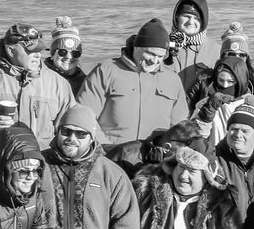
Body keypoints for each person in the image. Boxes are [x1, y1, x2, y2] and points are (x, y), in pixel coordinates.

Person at [78, 19, 191, 169]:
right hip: (110, 158)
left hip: (155, 163)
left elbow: (180, 126)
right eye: (150, 54)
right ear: (137, 47)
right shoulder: (106, 70)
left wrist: (168, 151)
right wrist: (105, 149)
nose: (155, 61)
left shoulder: (172, 79)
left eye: (160, 56)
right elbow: (84, 116)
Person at [0, 24, 73, 151]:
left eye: (39, 50)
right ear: (11, 50)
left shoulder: (59, 84)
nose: (38, 55)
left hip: (37, 165)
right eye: (31, 50)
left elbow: (71, 128)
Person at [166, 0, 212, 98]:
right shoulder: (162, 44)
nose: (191, 22)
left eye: (197, 18)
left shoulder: (217, 50)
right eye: (186, 16)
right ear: (176, 17)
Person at [45, 17, 86, 90]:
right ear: (53, 54)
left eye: (75, 53)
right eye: (62, 52)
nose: (69, 57)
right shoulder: (42, 76)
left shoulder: (86, 82)